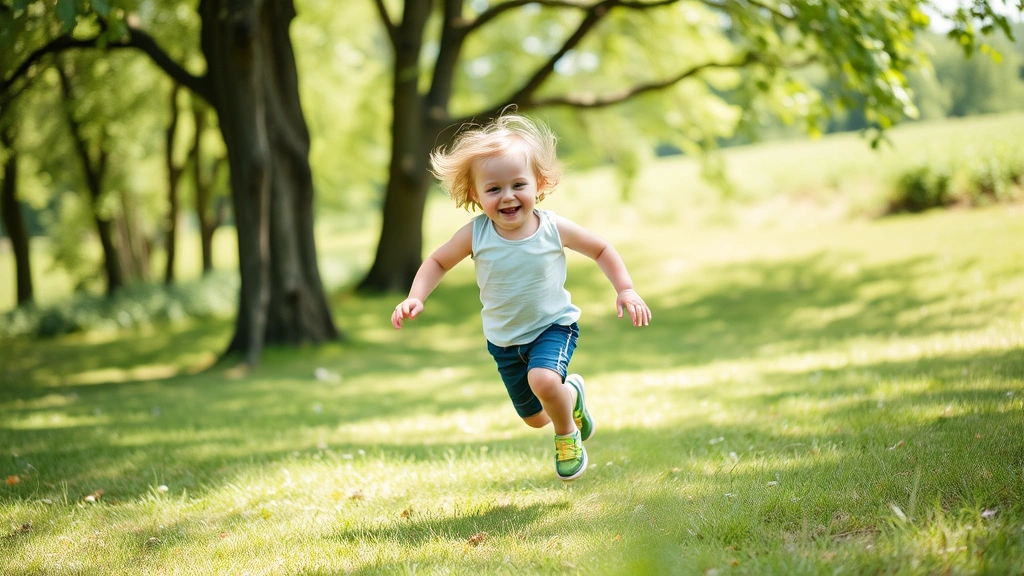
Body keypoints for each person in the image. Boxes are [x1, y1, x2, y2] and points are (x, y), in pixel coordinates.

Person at [391, 113, 652, 481]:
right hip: (504, 341)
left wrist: (625, 289)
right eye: (494, 189)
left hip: (553, 327)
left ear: (539, 183)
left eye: (518, 184)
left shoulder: (551, 227)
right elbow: (437, 261)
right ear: (475, 195)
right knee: (535, 417)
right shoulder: (475, 234)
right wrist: (416, 296)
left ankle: (567, 436)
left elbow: (601, 249)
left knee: (544, 382)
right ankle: (572, 397)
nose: (508, 196)